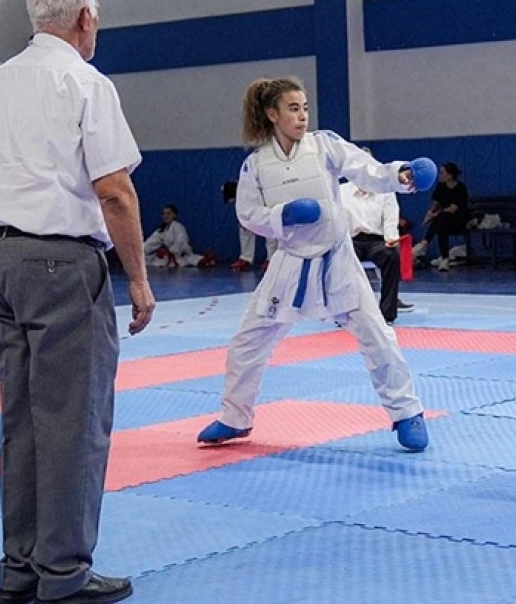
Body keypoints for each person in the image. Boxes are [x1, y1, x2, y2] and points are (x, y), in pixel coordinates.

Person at [0, 0, 154, 604]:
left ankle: (20, 571)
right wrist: (138, 280)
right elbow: (115, 191)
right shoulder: (83, 82)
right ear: (86, 17)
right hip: (59, 264)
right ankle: (65, 574)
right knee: (72, 422)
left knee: (20, 422)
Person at [196, 77, 434, 452]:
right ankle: (235, 417)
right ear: (272, 114)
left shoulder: (324, 145)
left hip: (337, 258)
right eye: (293, 109)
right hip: (289, 261)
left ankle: (407, 413)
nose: (303, 116)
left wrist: (401, 175)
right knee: (247, 341)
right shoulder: (256, 165)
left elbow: (367, 170)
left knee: (377, 334)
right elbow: (248, 214)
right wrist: (283, 216)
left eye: (305, 108)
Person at [340, 148, 408, 324]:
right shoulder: (340, 191)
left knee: (391, 256)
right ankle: (344, 311)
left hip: (377, 241)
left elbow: (390, 219)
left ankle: (387, 313)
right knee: (339, 259)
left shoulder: (386, 191)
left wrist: (391, 238)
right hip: (350, 240)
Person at [413, 162, 469, 271]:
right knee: (441, 225)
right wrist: (429, 213)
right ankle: (444, 259)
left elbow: (453, 209)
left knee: (442, 218)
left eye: (442, 173)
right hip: (443, 220)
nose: (440, 175)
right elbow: (435, 203)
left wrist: (435, 215)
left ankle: (424, 244)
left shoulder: (461, 188)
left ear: (450, 175)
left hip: (459, 219)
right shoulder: (440, 186)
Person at [143, 204, 212, 268]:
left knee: (190, 259)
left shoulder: (178, 227)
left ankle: (205, 260)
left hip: (180, 254)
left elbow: (181, 241)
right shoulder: (161, 230)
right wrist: (141, 250)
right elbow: (151, 242)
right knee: (148, 260)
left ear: (174, 215)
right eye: (164, 214)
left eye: (168, 214)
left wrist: (171, 251)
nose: (165, 216)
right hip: (169, 257)